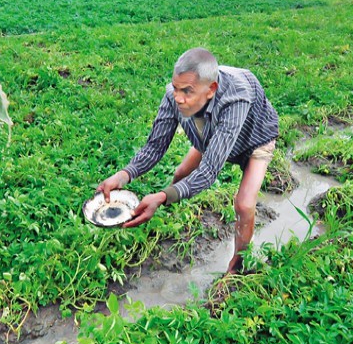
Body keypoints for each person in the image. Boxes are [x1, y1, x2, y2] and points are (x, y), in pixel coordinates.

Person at [97, 48, 279, 274]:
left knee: (244, 204)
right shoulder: (175, 96)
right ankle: (172, 214)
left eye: (187, 91)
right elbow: (155, 146)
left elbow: (209, 171)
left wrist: (162, 196)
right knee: (181, 173)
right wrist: (123, 175)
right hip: (214, 133)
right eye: (175, 88)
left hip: (254, 139)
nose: (178, 98)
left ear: (211, 89)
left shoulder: (236, 96)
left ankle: (237, 266)